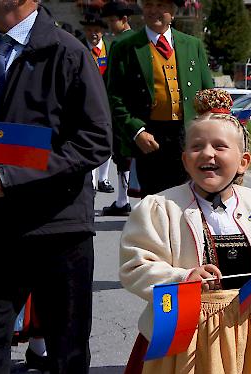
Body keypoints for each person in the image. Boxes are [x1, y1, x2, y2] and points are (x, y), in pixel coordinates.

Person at [111, 89, 251, 374]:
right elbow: (135, 266)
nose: (207, 154)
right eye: (196, 147)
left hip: (244, 332)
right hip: (179, 335)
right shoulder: (160, 207)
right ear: (184, 159)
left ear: (244, 161)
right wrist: (182, 277)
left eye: (220, 147)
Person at [0, 2, 112, 374]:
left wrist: (12, 177)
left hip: (58, 226)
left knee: (67, 346)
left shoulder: (68, 52)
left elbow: (94, 140)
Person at [107, 0, 213, 197]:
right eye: (148, 5)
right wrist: (136, 131)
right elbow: (114, 97)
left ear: (173, 11)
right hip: (149, 136)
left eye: (160, 5)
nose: (153, 10)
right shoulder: (125, 47)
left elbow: (208, 94)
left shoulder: (193, 45)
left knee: (189, 198)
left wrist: (210, 131)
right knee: (155, 202)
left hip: (187, 134)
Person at [101, 0, 141, 216]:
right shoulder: (140, 40)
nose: (109, 26)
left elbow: (112, 80)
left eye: (111, 21)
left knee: (122, 154)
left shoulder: (119, 43)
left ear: (124, 19)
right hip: (137, 106)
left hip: (121, 107)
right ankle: (123, 199)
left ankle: (123, 200)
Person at [81, 12, 115, 194]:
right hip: (86, 100)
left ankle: (104, 178)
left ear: (102, 32)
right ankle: (91, 180)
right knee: (88, 137)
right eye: (89, 30)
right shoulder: (79, 48)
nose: (93, 33)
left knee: (106, 137)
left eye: (96, 30)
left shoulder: (110, 49)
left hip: (106, 100)